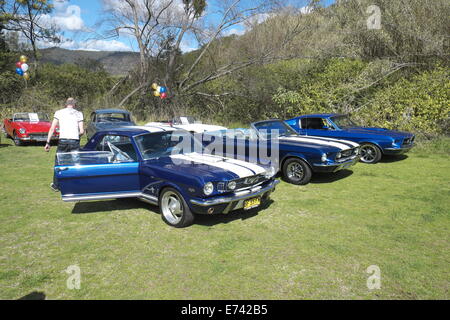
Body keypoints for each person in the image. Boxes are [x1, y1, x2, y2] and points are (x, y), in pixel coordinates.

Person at [45, 97, 84, 191]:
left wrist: (47, 142)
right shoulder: (79, 113)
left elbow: (52, 128)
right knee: (75, 163)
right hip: (74, 140)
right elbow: (82, 131)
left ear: (66, 104)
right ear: (74, 104)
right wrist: (75, 134)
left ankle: (56, 185)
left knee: (59, 162)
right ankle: (76, 184)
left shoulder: (59, 112)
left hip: (63, 141)